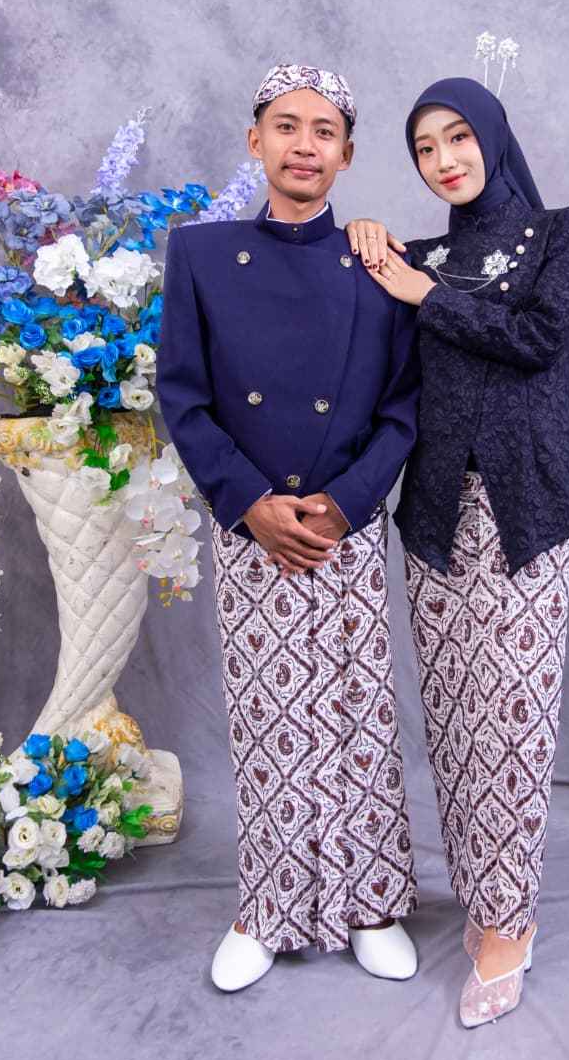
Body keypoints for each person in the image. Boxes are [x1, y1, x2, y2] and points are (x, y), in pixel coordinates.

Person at [343, 76, 569, 1027]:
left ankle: (508, 921)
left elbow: (539, 340)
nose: (443, 159)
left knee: (512, 721)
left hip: (523, 507)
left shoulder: (560, 234)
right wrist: (365, 241)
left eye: (458, 137)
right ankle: (479, 894)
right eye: (424, 147)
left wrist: (422, 293)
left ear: (491, 138)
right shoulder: (420, 254)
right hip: (434, 519)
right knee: (453, 721)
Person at [156, 63, 421, 993]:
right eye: (286, 126)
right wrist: (248, 502)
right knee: (267, 718)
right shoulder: (198, 253)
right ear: (255, 142)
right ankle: (265, 908)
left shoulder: (378, 260)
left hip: (342, 520)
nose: (304, 145)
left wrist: (345, 504)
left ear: (345, 154)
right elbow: (182, 397)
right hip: (252, 524)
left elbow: (403, 407)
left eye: (324, 131)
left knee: (357, 715)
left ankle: (372, 902)